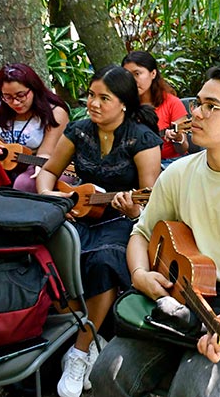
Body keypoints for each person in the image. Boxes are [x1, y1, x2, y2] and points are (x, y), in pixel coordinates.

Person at [90, 65, 220, 397]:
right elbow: (141, 234)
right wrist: (141, 273)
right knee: (105, 373)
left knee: (192, 387)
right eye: (198, 103)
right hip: (181, 293)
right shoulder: (179, 173)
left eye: (211, 106)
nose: (195, 112)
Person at [36, 64, 162, 397]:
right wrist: (53, 197)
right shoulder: (78, 131)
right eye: (91, 95)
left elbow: (151, 199)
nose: (93, 103)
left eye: (103, 98)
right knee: (42, 257)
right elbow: (47, 173)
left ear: (123, 103)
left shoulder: (143, 139)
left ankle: (78, 353)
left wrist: (133, 207)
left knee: (105, 260)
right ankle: (90, 336)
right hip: (74, 215)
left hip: (121, 219)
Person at [0, 63, 70, 192]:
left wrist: (42, 166)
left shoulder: (55, 112)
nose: (15, 102)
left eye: (21, 95)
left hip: (33, 162)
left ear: (33, 89)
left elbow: (46, 152)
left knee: (24, 184)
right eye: (8, 97)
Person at [122, 51, 189, 165]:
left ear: (153, 73)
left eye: (137, 74)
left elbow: (182, 149)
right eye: (127, 75)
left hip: (168, 163)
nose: (132, 80)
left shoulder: (172, 103)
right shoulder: (121, 104)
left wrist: (178, 139)